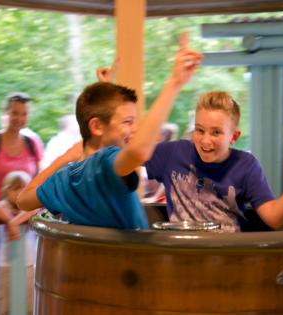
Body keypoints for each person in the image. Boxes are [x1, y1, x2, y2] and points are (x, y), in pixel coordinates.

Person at [17, 33, 202, 229]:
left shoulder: (64, 178)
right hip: (129, 259)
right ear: (96, 126)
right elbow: (138, 151)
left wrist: (67, 157)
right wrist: (174, 83)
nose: (135, 128)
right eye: (128, 122)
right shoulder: (107, 161)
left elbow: (23, 200)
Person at [142, 91, 283, 231]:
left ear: (234, 136)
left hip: (230, 258)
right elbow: (127, 159)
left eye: (216, 133)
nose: (205, 140)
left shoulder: (246, 165)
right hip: (181, 257)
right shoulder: (173, 153)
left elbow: (275, 217)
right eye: (199, 130)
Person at [0, 171, 38, 315]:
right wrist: (10, 222)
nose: (19, 193)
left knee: (29, 304)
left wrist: (15, 222)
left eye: (23, 189)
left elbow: (37, 209)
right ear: (6, 190)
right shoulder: (4, 206)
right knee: (5, 305)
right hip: (6, 264)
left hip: (28, 264)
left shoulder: (29, 207)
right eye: (15, 188)